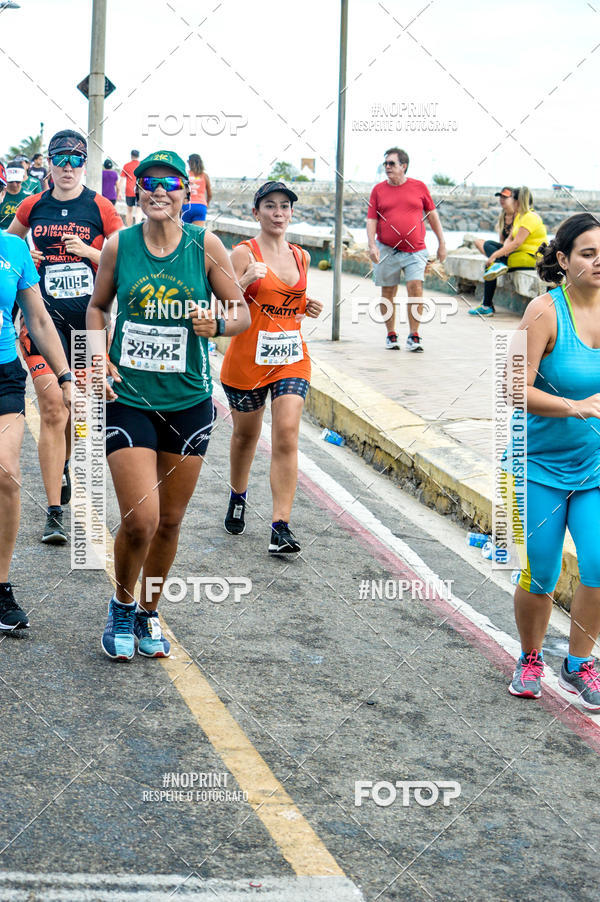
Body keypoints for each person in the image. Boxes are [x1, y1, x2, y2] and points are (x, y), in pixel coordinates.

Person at [87, 150, 250, 662]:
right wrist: (95, 359)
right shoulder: (119, 245)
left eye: (171, 183)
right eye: (150, 182)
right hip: (129, 397)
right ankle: (120, 603)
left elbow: (241, 311)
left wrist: (218, 326)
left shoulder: (206, 246)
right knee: (141, 519)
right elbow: (96, 307)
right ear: (137, 191)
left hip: (189, 402)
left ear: (186, 192)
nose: (160, 191)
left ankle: (149, 613)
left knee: (171, 522)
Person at [7, 129, 122, 544]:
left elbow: (123, 255)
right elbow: (7, 248)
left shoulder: (101, 206)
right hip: (41, 324)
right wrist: (27, 256)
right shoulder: (32, 205)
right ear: (50, 164)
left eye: (76, 159)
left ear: (85, 163)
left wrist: (89, 253)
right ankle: (55, 513)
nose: (68, 167)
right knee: (54, 407)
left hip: (89, 327)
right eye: (61, 159)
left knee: (82, 418)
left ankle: (68, 465)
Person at [507, 213, 600, 710]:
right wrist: (575, 406)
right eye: (588, 253)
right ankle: (530, 656)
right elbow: (511, 389)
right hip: (538, 466)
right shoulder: (544, 312)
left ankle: (580, 663)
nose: (599, 261)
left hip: (595, 468)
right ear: (563, 260)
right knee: (540, 573)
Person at [220, 180, 323, 554]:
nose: (278, 213)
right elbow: (222, 308)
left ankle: (281, 526)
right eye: (270, 207)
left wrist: (304, 304)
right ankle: (237, 494)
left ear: (291, 213)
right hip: (247, 361)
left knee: (287, 433)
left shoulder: (302, 256)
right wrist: (244, 281)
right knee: (246, 436)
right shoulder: (243, 254)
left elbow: (286, 301)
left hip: (290, 359)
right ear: (256, 213)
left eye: (284, 207)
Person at [0, 162, 72, 632]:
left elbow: (39, 320)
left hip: (4, 372)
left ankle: (1, 588)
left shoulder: (12, 249)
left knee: (6, 473)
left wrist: (64, 373)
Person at [367, 147, 446, 352]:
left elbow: (432, 215)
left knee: (415, 288)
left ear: (403, 166)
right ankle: (391, 334)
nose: (387, 167)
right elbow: (371, 219)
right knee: (388, 291)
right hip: (386, 249)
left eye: (391, 163)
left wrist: (442, 243)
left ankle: (414, 335)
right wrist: (372, 245)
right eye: (385, 164)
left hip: (415, 250)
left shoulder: (419, 187)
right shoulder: (378, 190)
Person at [469, 186, 547, 317]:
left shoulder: (530, 217)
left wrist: (495, 256)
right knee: (488, 244)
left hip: (531, 257)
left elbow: (517, 243)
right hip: (518, 254)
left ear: (517, 201)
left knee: (490, 265)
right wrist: (502, 251)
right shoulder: (520, 217)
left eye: (511, 199)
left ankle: (486, 306)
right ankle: (499, 265)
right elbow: (510, 239)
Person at [472, 186, 515, 258]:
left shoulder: (517, 215)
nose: (502, 200)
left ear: (513, 199)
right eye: (501, 197)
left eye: (505, 197)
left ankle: (495, 259)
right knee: (478, 242)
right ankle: (496, 259)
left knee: (488, 245)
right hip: (503, 249)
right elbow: (501, 240)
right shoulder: (502, 215)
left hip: (512, 249)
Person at [0, 161, 39, 229]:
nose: (14, 184)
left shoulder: (29, 197)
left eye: (17, 181)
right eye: (11, 181)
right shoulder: (1, 195)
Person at [182, 154, 212, 226]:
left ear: (190, 163)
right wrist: (206, 204)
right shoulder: (205, 176)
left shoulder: (185, 175)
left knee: (184, 233)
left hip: (186, 206)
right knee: (197, 234)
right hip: (200, 206)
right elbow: (210, 194)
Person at [120, 149, 140, 226]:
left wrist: (119, 193)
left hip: (129, 190)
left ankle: (129, 227)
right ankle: (137, 225)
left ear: (131, 156)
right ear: (138, 156)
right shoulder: (141, 165)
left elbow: (121, 180)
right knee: (139, 209)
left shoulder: (126, 165)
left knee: (129, 210)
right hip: (139, 190)